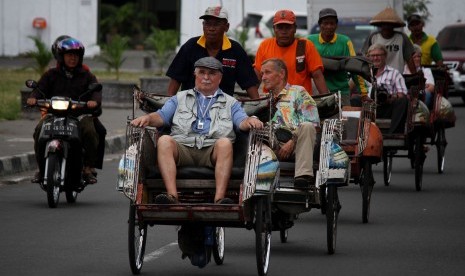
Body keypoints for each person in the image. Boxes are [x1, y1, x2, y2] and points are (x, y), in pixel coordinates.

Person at [131, 57, 263, 204]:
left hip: (212, 151)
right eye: (202, 72)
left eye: (212, 73)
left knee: (225, 143)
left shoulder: (231, 102)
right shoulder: (179, 98)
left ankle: (219, 198)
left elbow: (241, 121)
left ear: (220, 78)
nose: (206, 77)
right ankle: (172, 196)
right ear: (195, 75)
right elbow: (161, 116)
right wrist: (148, 119)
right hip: (183, 148)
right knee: (164, 140)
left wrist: (250, 121)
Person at [27, 37, 101, 184]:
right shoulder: (51, 74)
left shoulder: (86, 75)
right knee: (39, 131)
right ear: (61, 56)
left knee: (91, 131)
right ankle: (41, 169)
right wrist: (33, 97)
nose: (73, 58)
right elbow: (39, 89)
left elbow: (96, 90)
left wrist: (94, 101)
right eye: (69, 55)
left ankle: (87, 168)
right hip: (53, 114)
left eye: (76, 55)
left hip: (78, 115)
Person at [166, 6, 259, 99]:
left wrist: (258, 106)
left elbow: (249, 83)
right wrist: (167, 106)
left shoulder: (236, 50)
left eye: (216, 24)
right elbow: (176, 79)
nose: (211, 28)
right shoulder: (190, 46)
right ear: (203, 25)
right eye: (207, 24)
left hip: (223, 107)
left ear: (226, 27)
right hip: (190, 105)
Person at [260, 58, 320, 188]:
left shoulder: (298, 92)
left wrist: (292, 141)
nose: (263, 77)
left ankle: (302, 176)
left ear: (281, 74)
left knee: (308, 126)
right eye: (262, 74)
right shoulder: (262, 99)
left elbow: (313, 122)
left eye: (267, 72)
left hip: (296, 143)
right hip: (269, 143)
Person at [254, 9, 329, 95]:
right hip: (272, 101)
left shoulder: (306, 45)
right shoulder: (265, 46)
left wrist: (326, 100)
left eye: (288, 27)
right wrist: (255, 101)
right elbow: (257, 76)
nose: (284, 32)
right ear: (274, 29)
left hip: (300, 101)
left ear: (295, 29)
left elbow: (317, 75)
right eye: (280, 27)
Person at [308, 8, 368, 106]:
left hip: (341, 93)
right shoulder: (309, 41)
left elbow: (355, 68)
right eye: (325, 23)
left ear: (336, 25)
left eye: (332, 23)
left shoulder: (345, 42)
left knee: (343, 121)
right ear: (320, 24)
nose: (329, 26)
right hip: (315, 94)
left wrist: (364, 93)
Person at [367, 43, 409, 134]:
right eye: (372, 56)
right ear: (368, 57)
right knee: (354, 99)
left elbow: (402, 93)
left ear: (385, 56)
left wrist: (391, 97)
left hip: (387, 107)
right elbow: (351, 89)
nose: (375, 58)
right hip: (368, 108)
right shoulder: (363, 73)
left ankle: (394, 134)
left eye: (378, 55)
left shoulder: (394, 73)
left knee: (403, 100)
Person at [362, 7, 416, 74]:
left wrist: (414, 75)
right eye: (384, 24)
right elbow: (365, 57)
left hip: (397, 75)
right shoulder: (373, 37)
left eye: (389, 24)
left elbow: (409, 58)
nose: (387, 27)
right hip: (377, 75)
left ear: (394, 25)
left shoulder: (401, 37)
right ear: (380, 25)